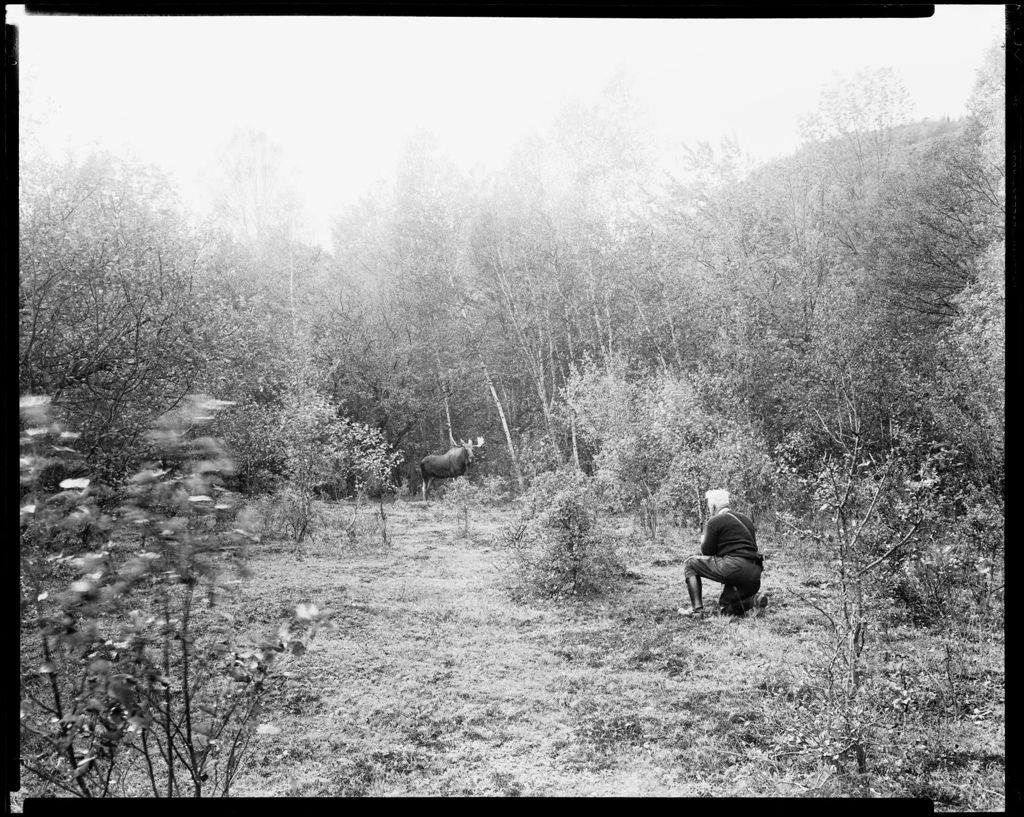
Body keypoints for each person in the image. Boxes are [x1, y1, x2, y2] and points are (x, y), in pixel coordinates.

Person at [679, 489, 769, 619]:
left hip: (734, 568)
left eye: (709, 507)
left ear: (713, 506)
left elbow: (707, 552)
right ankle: (753, 601)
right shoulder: (746, 520)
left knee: (690, 564)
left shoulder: (715, 521)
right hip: (754, 572)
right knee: (725, 609)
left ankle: (697, 611)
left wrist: (704, 539)